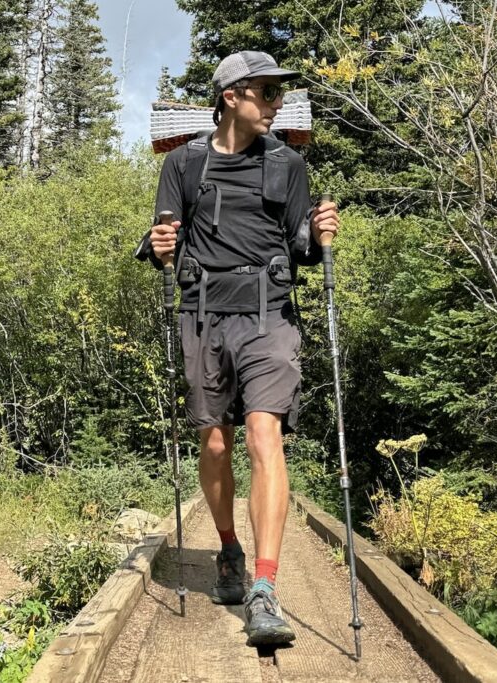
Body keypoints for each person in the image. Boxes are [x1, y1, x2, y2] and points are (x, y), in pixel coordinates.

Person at [140, 50, 339, 646]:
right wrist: (159, 245)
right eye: (267, 93)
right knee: (216, 440)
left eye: (280, 94)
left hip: (269, 315)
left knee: (263, 434)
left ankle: (265, 586)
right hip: (203, 314)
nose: (277, 104)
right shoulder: (183, 164)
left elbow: (301, 244)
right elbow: (163, 245)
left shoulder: (289, 165)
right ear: (231, 96)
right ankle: (229, 548)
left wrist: (319, 235)